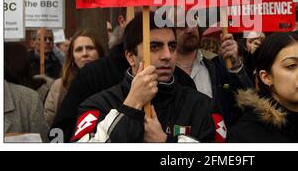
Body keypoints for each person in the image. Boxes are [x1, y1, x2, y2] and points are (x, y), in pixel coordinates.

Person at [71, 12, 215, 142]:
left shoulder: (200, 105)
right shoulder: (98, 105)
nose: (167, 56)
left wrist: (165, 142)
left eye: (172, 46)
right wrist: (130, 107)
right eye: (154, 47)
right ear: (130, 57)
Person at [175, 22, 253, 128]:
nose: (190, 29)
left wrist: (236, 67)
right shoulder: (164, 70)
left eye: (192, 22)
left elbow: (249, 101)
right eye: (181, 25)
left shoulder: (218, 63)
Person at [44, 29, 105, 126]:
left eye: (90, 48)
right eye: (79, 50)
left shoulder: (111, 81)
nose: (85, 54)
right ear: (72, 58)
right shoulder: (60, 86)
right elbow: (49, 123)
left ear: (100, 53)